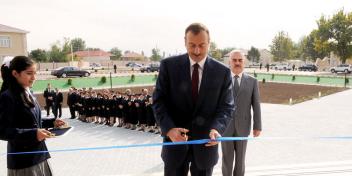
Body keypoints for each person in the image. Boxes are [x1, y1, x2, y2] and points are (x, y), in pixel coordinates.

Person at [153, 23, 235, 176]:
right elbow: (159, 101)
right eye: (192, 45)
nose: (197, 51)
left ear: (209, 43)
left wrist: (217, 128)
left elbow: (227, 106)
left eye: (202, 45)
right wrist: (169, 129)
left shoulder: (222, 72)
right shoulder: (168, 66)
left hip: (206, 146)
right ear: (185, 42)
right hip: (174, 145)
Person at [0, 56, 65, 176]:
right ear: (15, 73)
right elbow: (3, 131)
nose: (34, 78)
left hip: (40, 155)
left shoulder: (28, 93)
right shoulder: (7, 97)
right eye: (29, 73)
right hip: (24, 162)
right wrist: (34, 134)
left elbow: (32, 122)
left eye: (35, 73)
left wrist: (52, 123)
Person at [221, 50, 262, 176]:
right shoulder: (222, 80)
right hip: (225, 127)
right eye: (234, 60)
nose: (237, 63)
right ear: (229, 62)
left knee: (240, 160)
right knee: (227, 160)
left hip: (243, 127)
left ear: (244, 62)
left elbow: (256, 104)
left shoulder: (252, 81)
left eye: (240, 60)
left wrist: (257, 126)